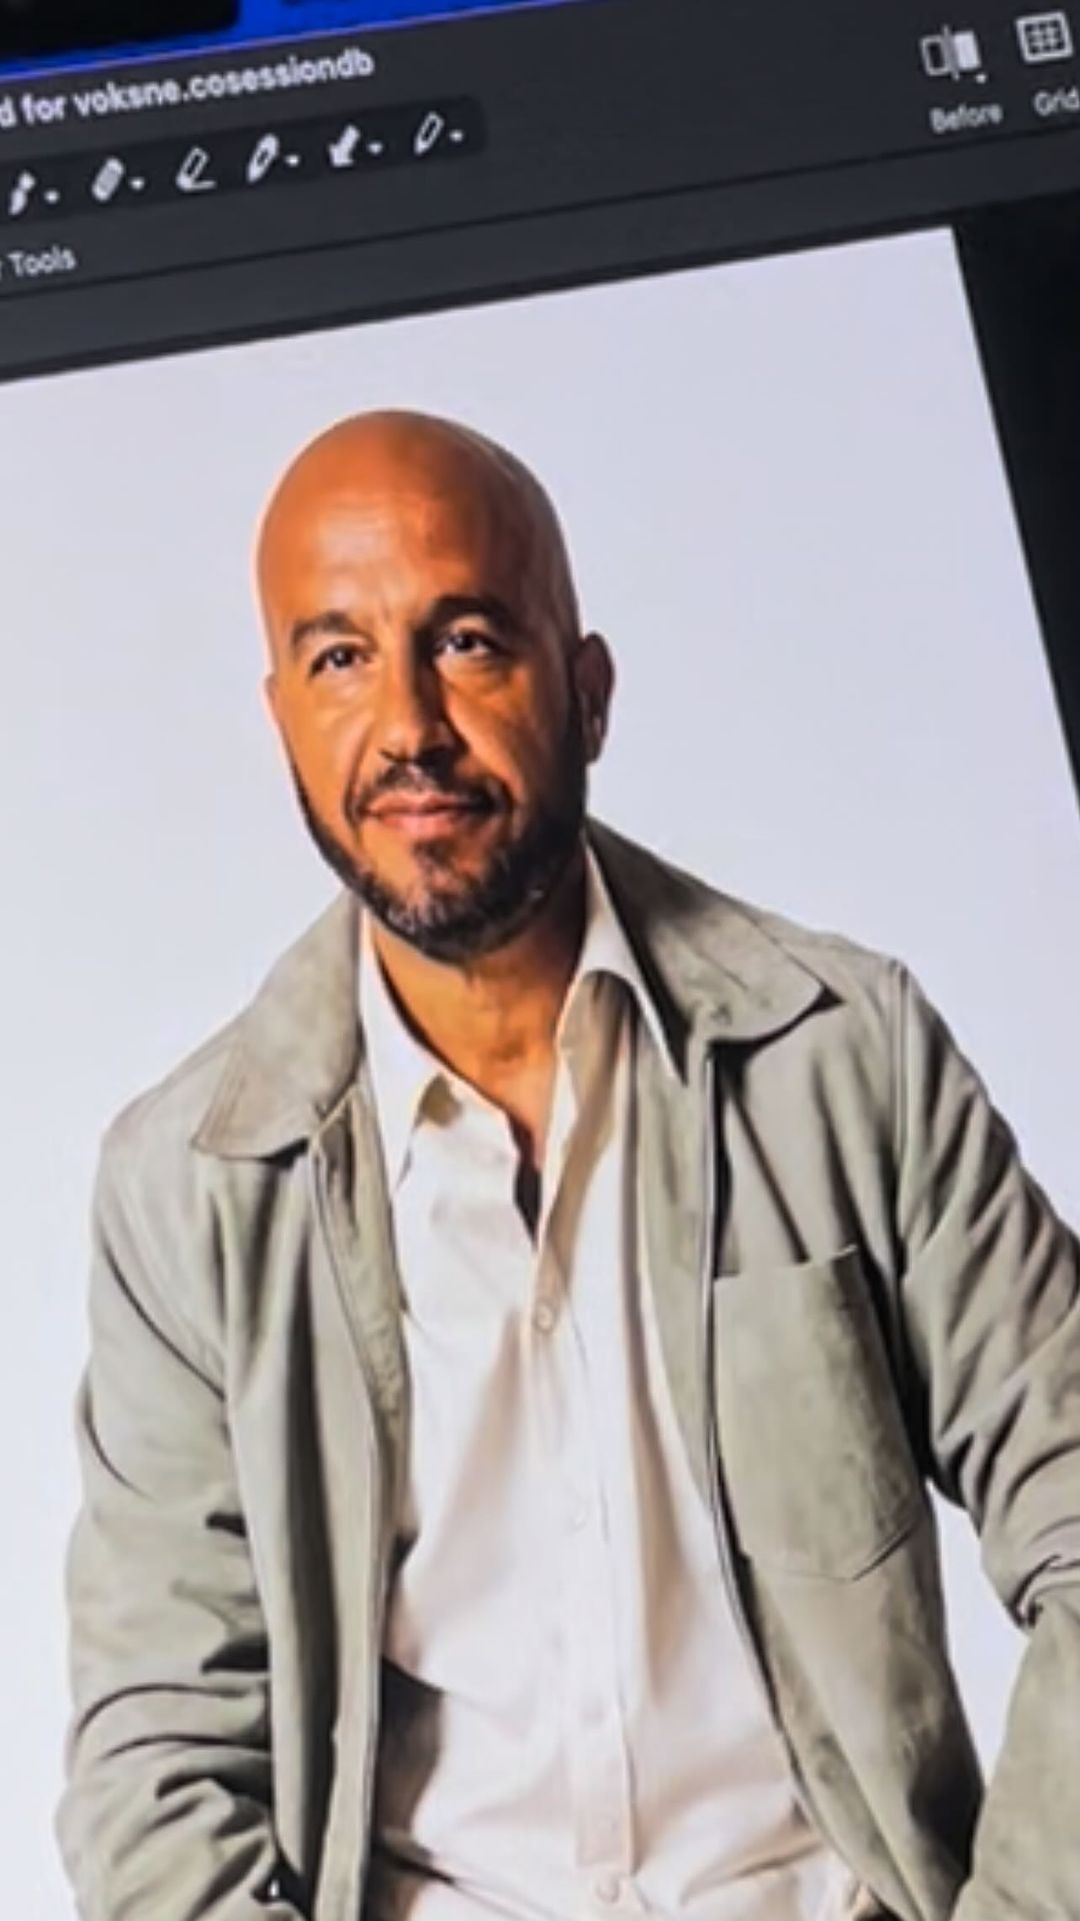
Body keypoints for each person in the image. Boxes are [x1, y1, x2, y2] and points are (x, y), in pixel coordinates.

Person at [58, 410, 1080, 1921]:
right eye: (339, 658)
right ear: (282, 719)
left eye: (466, 641)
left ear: (587, 692)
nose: (408, 724)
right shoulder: (190, 1186)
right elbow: (157, 1758)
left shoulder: (844, 1056)